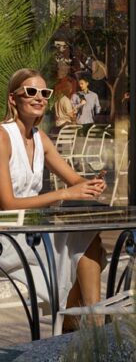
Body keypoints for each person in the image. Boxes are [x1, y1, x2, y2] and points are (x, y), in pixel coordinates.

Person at [0, 69, 107, 331]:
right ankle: (75, 323)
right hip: (7, 234)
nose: (39, 98)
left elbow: (74, 180)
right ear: (13, 99)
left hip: (34, 230)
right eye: (31, 92)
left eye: (44, 93)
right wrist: (64, 194)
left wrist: (91, 183)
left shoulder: (40, 138)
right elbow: (8, 204)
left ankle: (91, 318)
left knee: (88, 235)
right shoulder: (3, 137)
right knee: (80, 244)